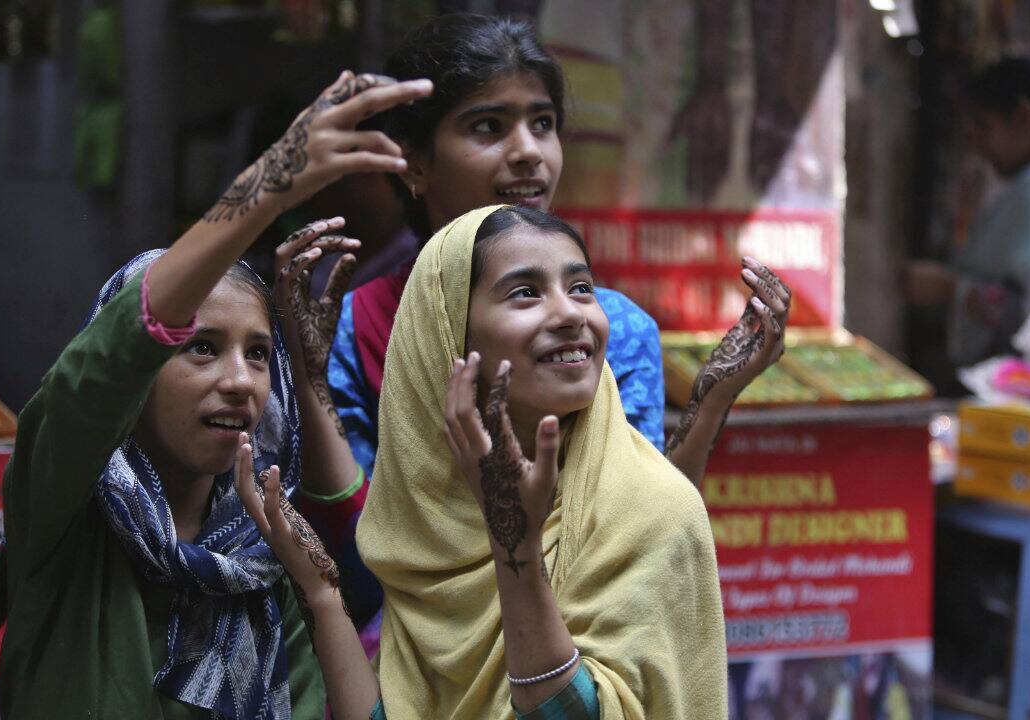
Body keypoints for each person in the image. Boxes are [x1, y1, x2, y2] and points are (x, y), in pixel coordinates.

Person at [0, 71, 432, 719]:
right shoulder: (67, 520)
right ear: (137, 372)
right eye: (201, 347)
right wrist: (264, 190)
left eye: (259, 354)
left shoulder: (268, 563)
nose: (240, 381)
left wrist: (321, 597)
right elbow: (92, 380)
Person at [313, 12, 789, 630]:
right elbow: (355, 560)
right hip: (409, 652)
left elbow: (634, 554)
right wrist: (307, 379)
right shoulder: (354, 326)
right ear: (415, 164)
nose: (529, 153)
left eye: (543, 123)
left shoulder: (611, 329)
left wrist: (712, 401)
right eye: (488, 126)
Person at [243, 204, 728, 719]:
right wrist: (321, 593)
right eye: (526, 292)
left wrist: (513, 541)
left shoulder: (653, 510)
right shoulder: (427, 517)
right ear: (448, 333)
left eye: (581, 287)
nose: (570, 314)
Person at [907, 58, 1030, 367]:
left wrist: (950, 288)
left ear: (1024, 118)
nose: (976, 141)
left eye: (984, 125)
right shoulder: (1027, 184)